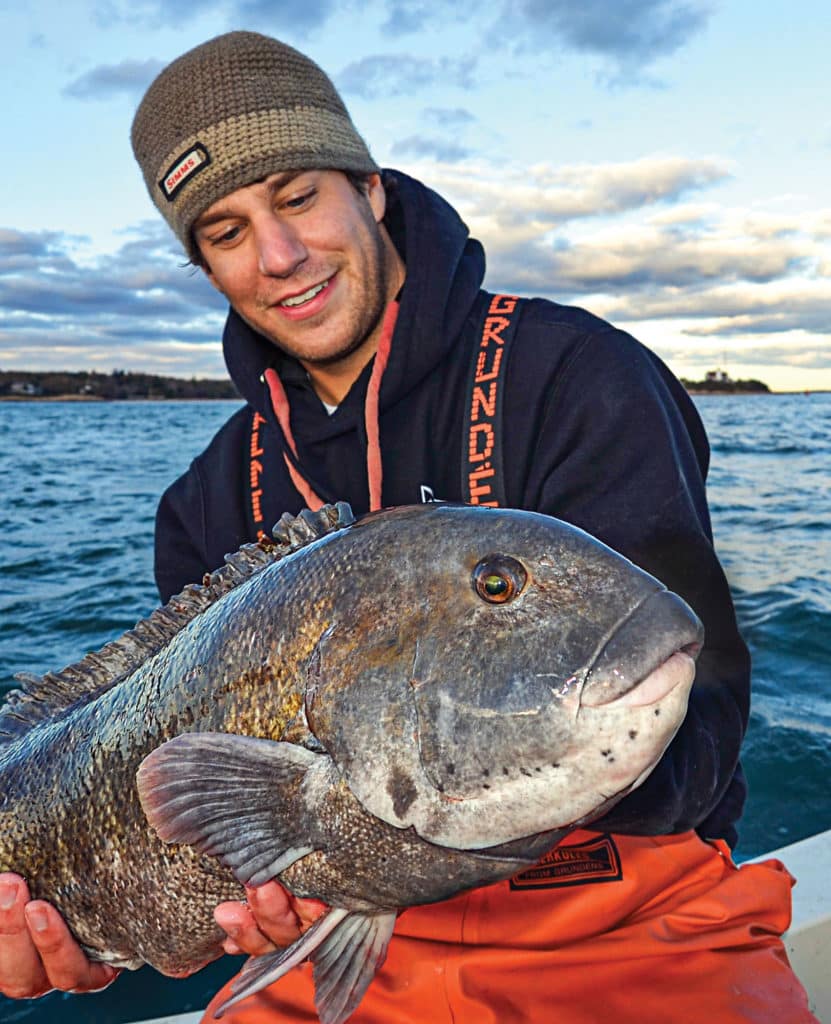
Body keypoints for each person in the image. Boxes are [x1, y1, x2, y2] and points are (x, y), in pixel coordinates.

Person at [0, 30, 817, 1023]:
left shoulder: (580, 379)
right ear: (206, 264)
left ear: (372, 188)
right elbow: (196, 833)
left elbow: (699, 719)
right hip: (332, 944)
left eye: (298, 196)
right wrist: (104, 934)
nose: (279, 255)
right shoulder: (206, 499)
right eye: (225, 231)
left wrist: (448, 802)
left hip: (623, 923)